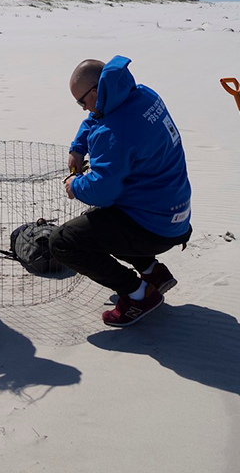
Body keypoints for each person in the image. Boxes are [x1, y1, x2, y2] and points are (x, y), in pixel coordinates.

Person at [49, 55, 192, 327]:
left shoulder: (114, 132)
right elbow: (98, 116)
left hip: (155, 227)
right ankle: (153, 273)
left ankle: (138, 294)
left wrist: (74, 185)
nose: (82, 109)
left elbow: (103, 192)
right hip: (177, 213)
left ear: (96, 91)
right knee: (102, 221)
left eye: (82, 101)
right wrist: (78, 147)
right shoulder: (142, 95)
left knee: (63, 241)